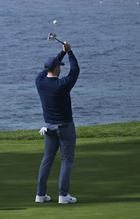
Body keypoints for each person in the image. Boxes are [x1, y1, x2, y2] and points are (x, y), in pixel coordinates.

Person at [34, 41, 80, 205]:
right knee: (67, 160)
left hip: (48, 127)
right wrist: (70, 52)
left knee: (47, 159)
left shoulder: (39, 81)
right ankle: (63, 195)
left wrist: (61, 53)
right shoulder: (63, 85)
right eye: (59, 66)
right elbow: (75, 71)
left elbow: (46, 70)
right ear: (57, 68)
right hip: (65, 127)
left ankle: (40, 195)